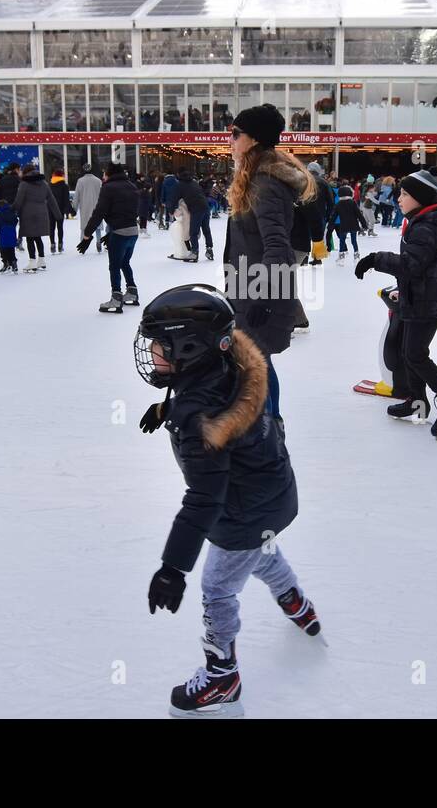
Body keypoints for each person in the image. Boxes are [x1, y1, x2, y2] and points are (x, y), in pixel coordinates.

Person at [136, 284, 320, 718]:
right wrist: (166, 410)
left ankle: (223, 675)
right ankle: (295, 600)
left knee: (218, 586)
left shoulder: (200, 421)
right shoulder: (231, 366)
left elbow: (203, 499)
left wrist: (172, 568)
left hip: (243, 507)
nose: (150, 353)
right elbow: (209, 396)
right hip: (272, 495)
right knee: (259, 549)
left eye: (159, 345)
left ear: (190, 346)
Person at [354, 167, 437, 440]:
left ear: (419, 198)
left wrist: (375, 259)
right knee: (409, 353)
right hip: (419, 298)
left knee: (415, 354)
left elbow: (412, 265)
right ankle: (419, 401)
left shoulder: (426, 226)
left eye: (404, 194)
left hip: (428, 301)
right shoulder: (422, 221)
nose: (398, 199)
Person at [223, 103, 315, 420]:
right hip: (247, 287)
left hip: (257, 293)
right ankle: (267, 427)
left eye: (236, 134)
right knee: (257, 366)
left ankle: (268, 429)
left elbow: (278, 246)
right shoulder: (256, 178)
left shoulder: (264, 184)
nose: (230, 139)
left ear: (255, 139)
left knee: (255, 367)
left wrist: (264, 298)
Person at [77, 163, 140, 312]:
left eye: (105, 173)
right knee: (125, 262)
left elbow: (99, 212)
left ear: (109, 174)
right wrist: (110, 233)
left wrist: (87, 234)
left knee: (114, 266)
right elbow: (130, 211)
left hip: (119, 232)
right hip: (132, 231)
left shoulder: (108, 188)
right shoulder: (131, 186)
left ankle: (116, 299)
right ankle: (132, 292)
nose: (103, 176)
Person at [13, 165, 59, 272]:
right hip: (42, 213)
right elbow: (51, 199)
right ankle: (42, 260)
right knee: (38, 237)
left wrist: (12, 210)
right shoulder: (44, 183)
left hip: (28, 214)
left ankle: (32, 261)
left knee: (30, 238)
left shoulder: (24, 184)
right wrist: (58, 215)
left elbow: (19, 200)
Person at [169, 167, 211, 262]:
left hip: (196, 209)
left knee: (193, 232)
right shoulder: (194, 182)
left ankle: (194, 253)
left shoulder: (180, 185)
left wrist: (171, 210)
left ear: (178, 175)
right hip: (205, 206)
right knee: (206, 229)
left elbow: (173, 198)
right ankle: (209, 249)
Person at [332, 183, 366, 262]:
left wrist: (330, 225)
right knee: (354, 241)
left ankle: (341, 256)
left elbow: (334, 216)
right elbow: (359, 214)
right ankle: (356, 255)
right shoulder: (352, 202)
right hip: (353, 225)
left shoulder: (338, 204)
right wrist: (364, 224)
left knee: (342, 240)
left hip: (343, 225)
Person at [74, 166, 104, 252]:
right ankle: (99, 243)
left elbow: (76, 196)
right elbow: (102, 195)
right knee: (97, 226)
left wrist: (74, 209)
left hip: (85, 208)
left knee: (84, 227)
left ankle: (82, 245)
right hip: (97, 207)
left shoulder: (80, 181)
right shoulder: (98, 181)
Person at [48, 164, 72, 253]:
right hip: (60, 209)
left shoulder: (49, 185)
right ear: (62, 175)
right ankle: (60, 244)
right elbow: (66, 200)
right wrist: (68, 210)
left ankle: (52, 244)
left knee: (51, 227)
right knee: (60, 227)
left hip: (50, 209)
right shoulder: (64, 186)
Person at [0, 199, 20, 274]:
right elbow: (16, 220)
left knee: (3, 251)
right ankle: (13, 263)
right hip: (12, 237)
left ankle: (6, 263)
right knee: (11, 250)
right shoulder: (12, 214)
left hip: (3, 238)